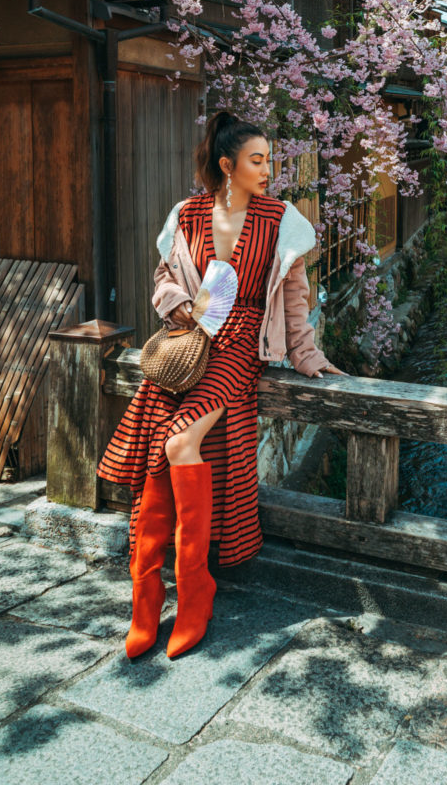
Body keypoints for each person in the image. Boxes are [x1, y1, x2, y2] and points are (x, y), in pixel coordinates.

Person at [97, 110, 346, 660]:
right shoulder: (186, 215)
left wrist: (306, 354)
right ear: (227, 165)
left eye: (271, 159)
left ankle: (192, 592)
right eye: (258, 160)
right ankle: (145, 597)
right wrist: (181, 305)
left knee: (178, 442)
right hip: (188, 344)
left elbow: (296, 296)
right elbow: (163, 278)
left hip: (239, 349)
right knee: (160, 456)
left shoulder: (281, 219)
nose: (269, 169)